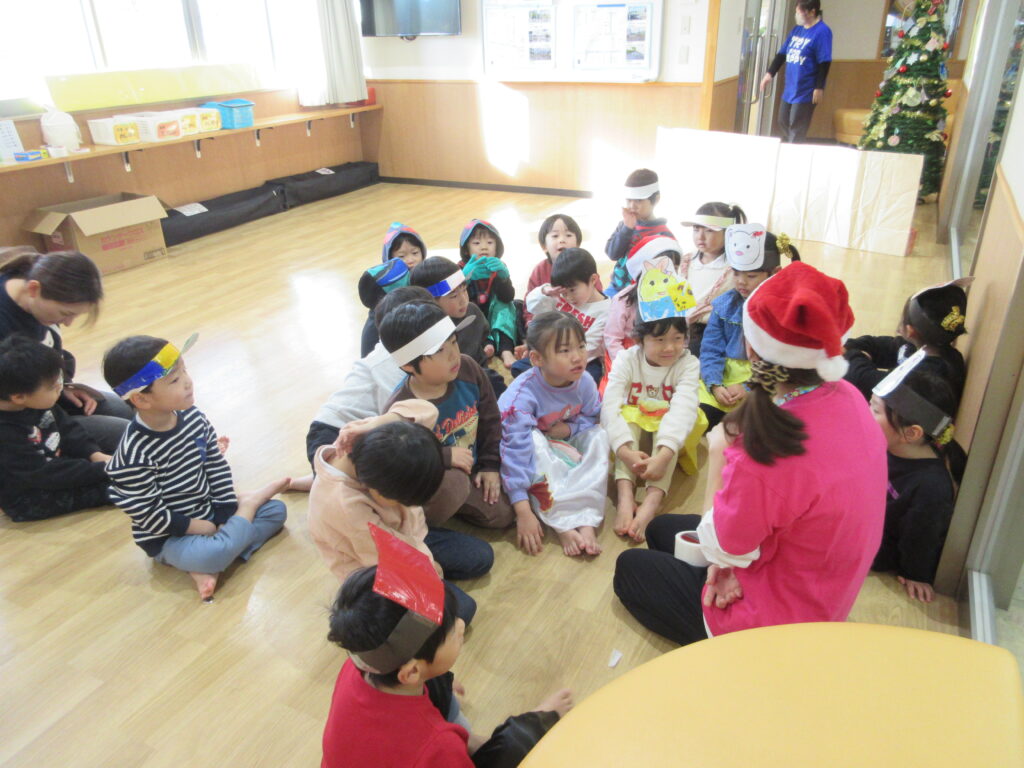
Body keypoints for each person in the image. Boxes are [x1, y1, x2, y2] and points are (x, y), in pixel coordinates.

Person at [614, 261, 888, 646]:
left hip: (770, 626)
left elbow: (721, 543)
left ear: (752, 348)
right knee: (662, 530)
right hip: (821, 590)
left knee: (629, 567)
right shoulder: (848, 396)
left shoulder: (765, 447)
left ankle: (726, 647)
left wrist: (719, 456)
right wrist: (726, 561)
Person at [322, 558, 572, 768]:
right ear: (411, 672)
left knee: (440, 683)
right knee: (518, 742)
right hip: (431, 750)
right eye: (451, 631)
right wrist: (534, 724)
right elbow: (432, 748)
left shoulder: (362, 664)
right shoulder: (437, 746)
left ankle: (468, 737)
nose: (461, 625)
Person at [103, 334, 288, 601]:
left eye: (185, 371)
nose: (188, 381)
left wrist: (223, 512)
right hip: (170, 535)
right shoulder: (132, 456)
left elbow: (215, 465)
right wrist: (203, 527)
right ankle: (243, 512)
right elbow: (150, 516)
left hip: (208, 509)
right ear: (142, 400)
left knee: (276, 512)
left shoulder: (193, 417)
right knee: (211, 553)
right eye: (174, 380)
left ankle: (215, 556)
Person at [307, 412, 488, 623]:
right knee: (463, 610)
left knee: (481, 556)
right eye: (400, 500)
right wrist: (431, 572)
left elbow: (425, 410)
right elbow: (389, 559)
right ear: (377, 488)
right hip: (375, 568)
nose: (406, 504)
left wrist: (377, 422)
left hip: (404, 534)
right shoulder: (345, 507)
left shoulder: (372, 438)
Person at [379, 301, 515, 531]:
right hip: (439, 478)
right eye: (440, 350)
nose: (454, 355)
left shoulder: (469, 368)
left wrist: (490, 465)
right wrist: (443, 456)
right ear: (409, 365)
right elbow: (402, 466)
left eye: (453, 341)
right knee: (461, 491)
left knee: (508, 509)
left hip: (475, 464)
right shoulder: (400, 411)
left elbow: (491, 419)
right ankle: (423, 529)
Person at [601, 267, 701, 543]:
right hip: (636, 426)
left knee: (668, 422)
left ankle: (652, 500)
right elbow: (609, 405)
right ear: (640, 339)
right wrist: (624, 451)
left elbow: (682, 411)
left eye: (677, 338)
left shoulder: (688, 364)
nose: (670, 348)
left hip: (667, 428)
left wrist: (664, 456)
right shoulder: (627, 359)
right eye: (659, 339)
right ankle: (625, 495)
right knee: (628, 416)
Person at [498, 312, 609, 558]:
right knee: (534, 442)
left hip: (563, 442)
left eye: (581, 346)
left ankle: (587, 520)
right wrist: (522, 511)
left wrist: (569, 429)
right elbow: (514, 453)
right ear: (537, 358)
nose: (577, 356)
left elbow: (593, 416)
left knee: (600, 436)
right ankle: (562, 523)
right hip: (533, 451)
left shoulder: (584, 381)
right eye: (565, 350)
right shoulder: (521, 398)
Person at [0, 248, 132, 453]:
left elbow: (49, 354)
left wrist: (63, 386)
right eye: (65, 313)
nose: (68, 323)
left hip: (46, 394)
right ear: (34, 289)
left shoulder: (37, 299)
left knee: (128, 409)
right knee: (126, 434)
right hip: (20, 418)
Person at [869, 358, 967, 603]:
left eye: (875, 411)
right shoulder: (889, 445)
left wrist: (916, 574)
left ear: (911, 433)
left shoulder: (931, 487)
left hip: (877, 546)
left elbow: (922, 536)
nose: (866, 414)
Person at [306, 286, 435, 468]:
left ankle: (313, 479)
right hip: (332, 433)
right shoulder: (388, 362)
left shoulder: (414, 351)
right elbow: (397, 414)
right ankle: (321, 477)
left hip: (364, 430)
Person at [699, 225, 800, 431]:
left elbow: (782, 363)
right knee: (698, 416)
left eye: (751, 276)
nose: (741, 282)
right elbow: (711, 350)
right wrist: (716, 384)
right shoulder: (724, 305)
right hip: (723, 377)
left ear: (775, 273)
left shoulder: (784, 311)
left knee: (753, 427)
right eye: (736, 274)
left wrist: (748, 386)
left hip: (764, 382)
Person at [0, 336, 110, 522]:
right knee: (121, 488)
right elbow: (44, 474)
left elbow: (69, 429)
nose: (60, 388)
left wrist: (95, 454)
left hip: (58, 468)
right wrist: (103, 470)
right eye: (52, 386)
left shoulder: (37, 401)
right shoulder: (6, 433)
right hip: (30, 496)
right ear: (18, 397)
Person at [844, 278, 969, 407]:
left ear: (910, 331)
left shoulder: (929, 377)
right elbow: (878, 345)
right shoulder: (925, 345)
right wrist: (851, 348)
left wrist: (853, 355)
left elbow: (865, 380)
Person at [411, 256, 505, 397]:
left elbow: (485, 333)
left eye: (464, 290)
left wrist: (488, 343)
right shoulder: (429, 332)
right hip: (451, 382)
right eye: (453, 296)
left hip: (478, 370)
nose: (463, 300)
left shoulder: (472, 310)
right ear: (430, 301)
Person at [521, 248, 611, 387]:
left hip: (582, 359)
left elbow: (590, 346)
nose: (568, 297)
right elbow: (532, 306)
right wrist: (545, 291)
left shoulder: (607, 310)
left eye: (572, 290)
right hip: (551, 353)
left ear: (593, 280)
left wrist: (556, 362)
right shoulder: (558, 294)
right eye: (564, 292)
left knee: (590, 378)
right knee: (520, 367)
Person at [677, 203, 747, 356]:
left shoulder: (736, 268)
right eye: (696, 229)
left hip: (717, 337)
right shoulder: (685, 262)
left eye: (709, 230)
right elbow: (677, 301)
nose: (700, 237)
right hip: (680, 331)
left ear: (728, 233)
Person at [603, 237, 682, 369]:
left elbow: (683, 333)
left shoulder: (677, 295)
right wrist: (626, 365)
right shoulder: (623, 299)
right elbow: (612, 337)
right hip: (628, 357)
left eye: (674, 269)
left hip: (665, 353)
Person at [759, 0, 833, 143]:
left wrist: (819, 87)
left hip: (806, 89)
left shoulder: (822, 32)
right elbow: (782, 54)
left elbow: (824, 61)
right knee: (782, 121)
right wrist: (769, 73)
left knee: (797, 125)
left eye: (800, 12)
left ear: (812, 12)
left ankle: (795, 149)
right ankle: (795, 144)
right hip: (791, 87)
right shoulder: (797, 30)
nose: (797, 15)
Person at [457, 219, 518, 371]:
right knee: (467, 310)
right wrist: (464, 279)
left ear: (497, 247)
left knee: (509, 305)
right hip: (473, 314)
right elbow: (454, 301)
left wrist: (504, 277)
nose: (484, 247)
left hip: (494, 314)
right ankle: (484, 343)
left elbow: (507, 297)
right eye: (476, 243)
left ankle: (506, 350)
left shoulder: (498, 266)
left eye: (490, 242)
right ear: (466, 249)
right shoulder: (459, 269)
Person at [359, 223, 428, 357]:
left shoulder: (424, 279)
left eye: (415, 253)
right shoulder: (385, 291)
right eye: (401, 256)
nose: (410, 260)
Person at [604, 169, 675, 296]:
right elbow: (612, 254)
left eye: (638, 200)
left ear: (656, 199)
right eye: (629, 200)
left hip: (639, 296)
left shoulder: (664, 236)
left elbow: (663, 278)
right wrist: (627, 229)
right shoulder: (624, 224)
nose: (632, 206)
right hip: (615, 288)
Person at [526, 214, 604, 308]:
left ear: (577, 244)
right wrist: (544, 291)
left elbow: (597, 299)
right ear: (544, 246)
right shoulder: (540, 269)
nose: (562, 240)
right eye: (555, 236)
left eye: (568, 235)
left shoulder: (584, 265)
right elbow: (529, 306)